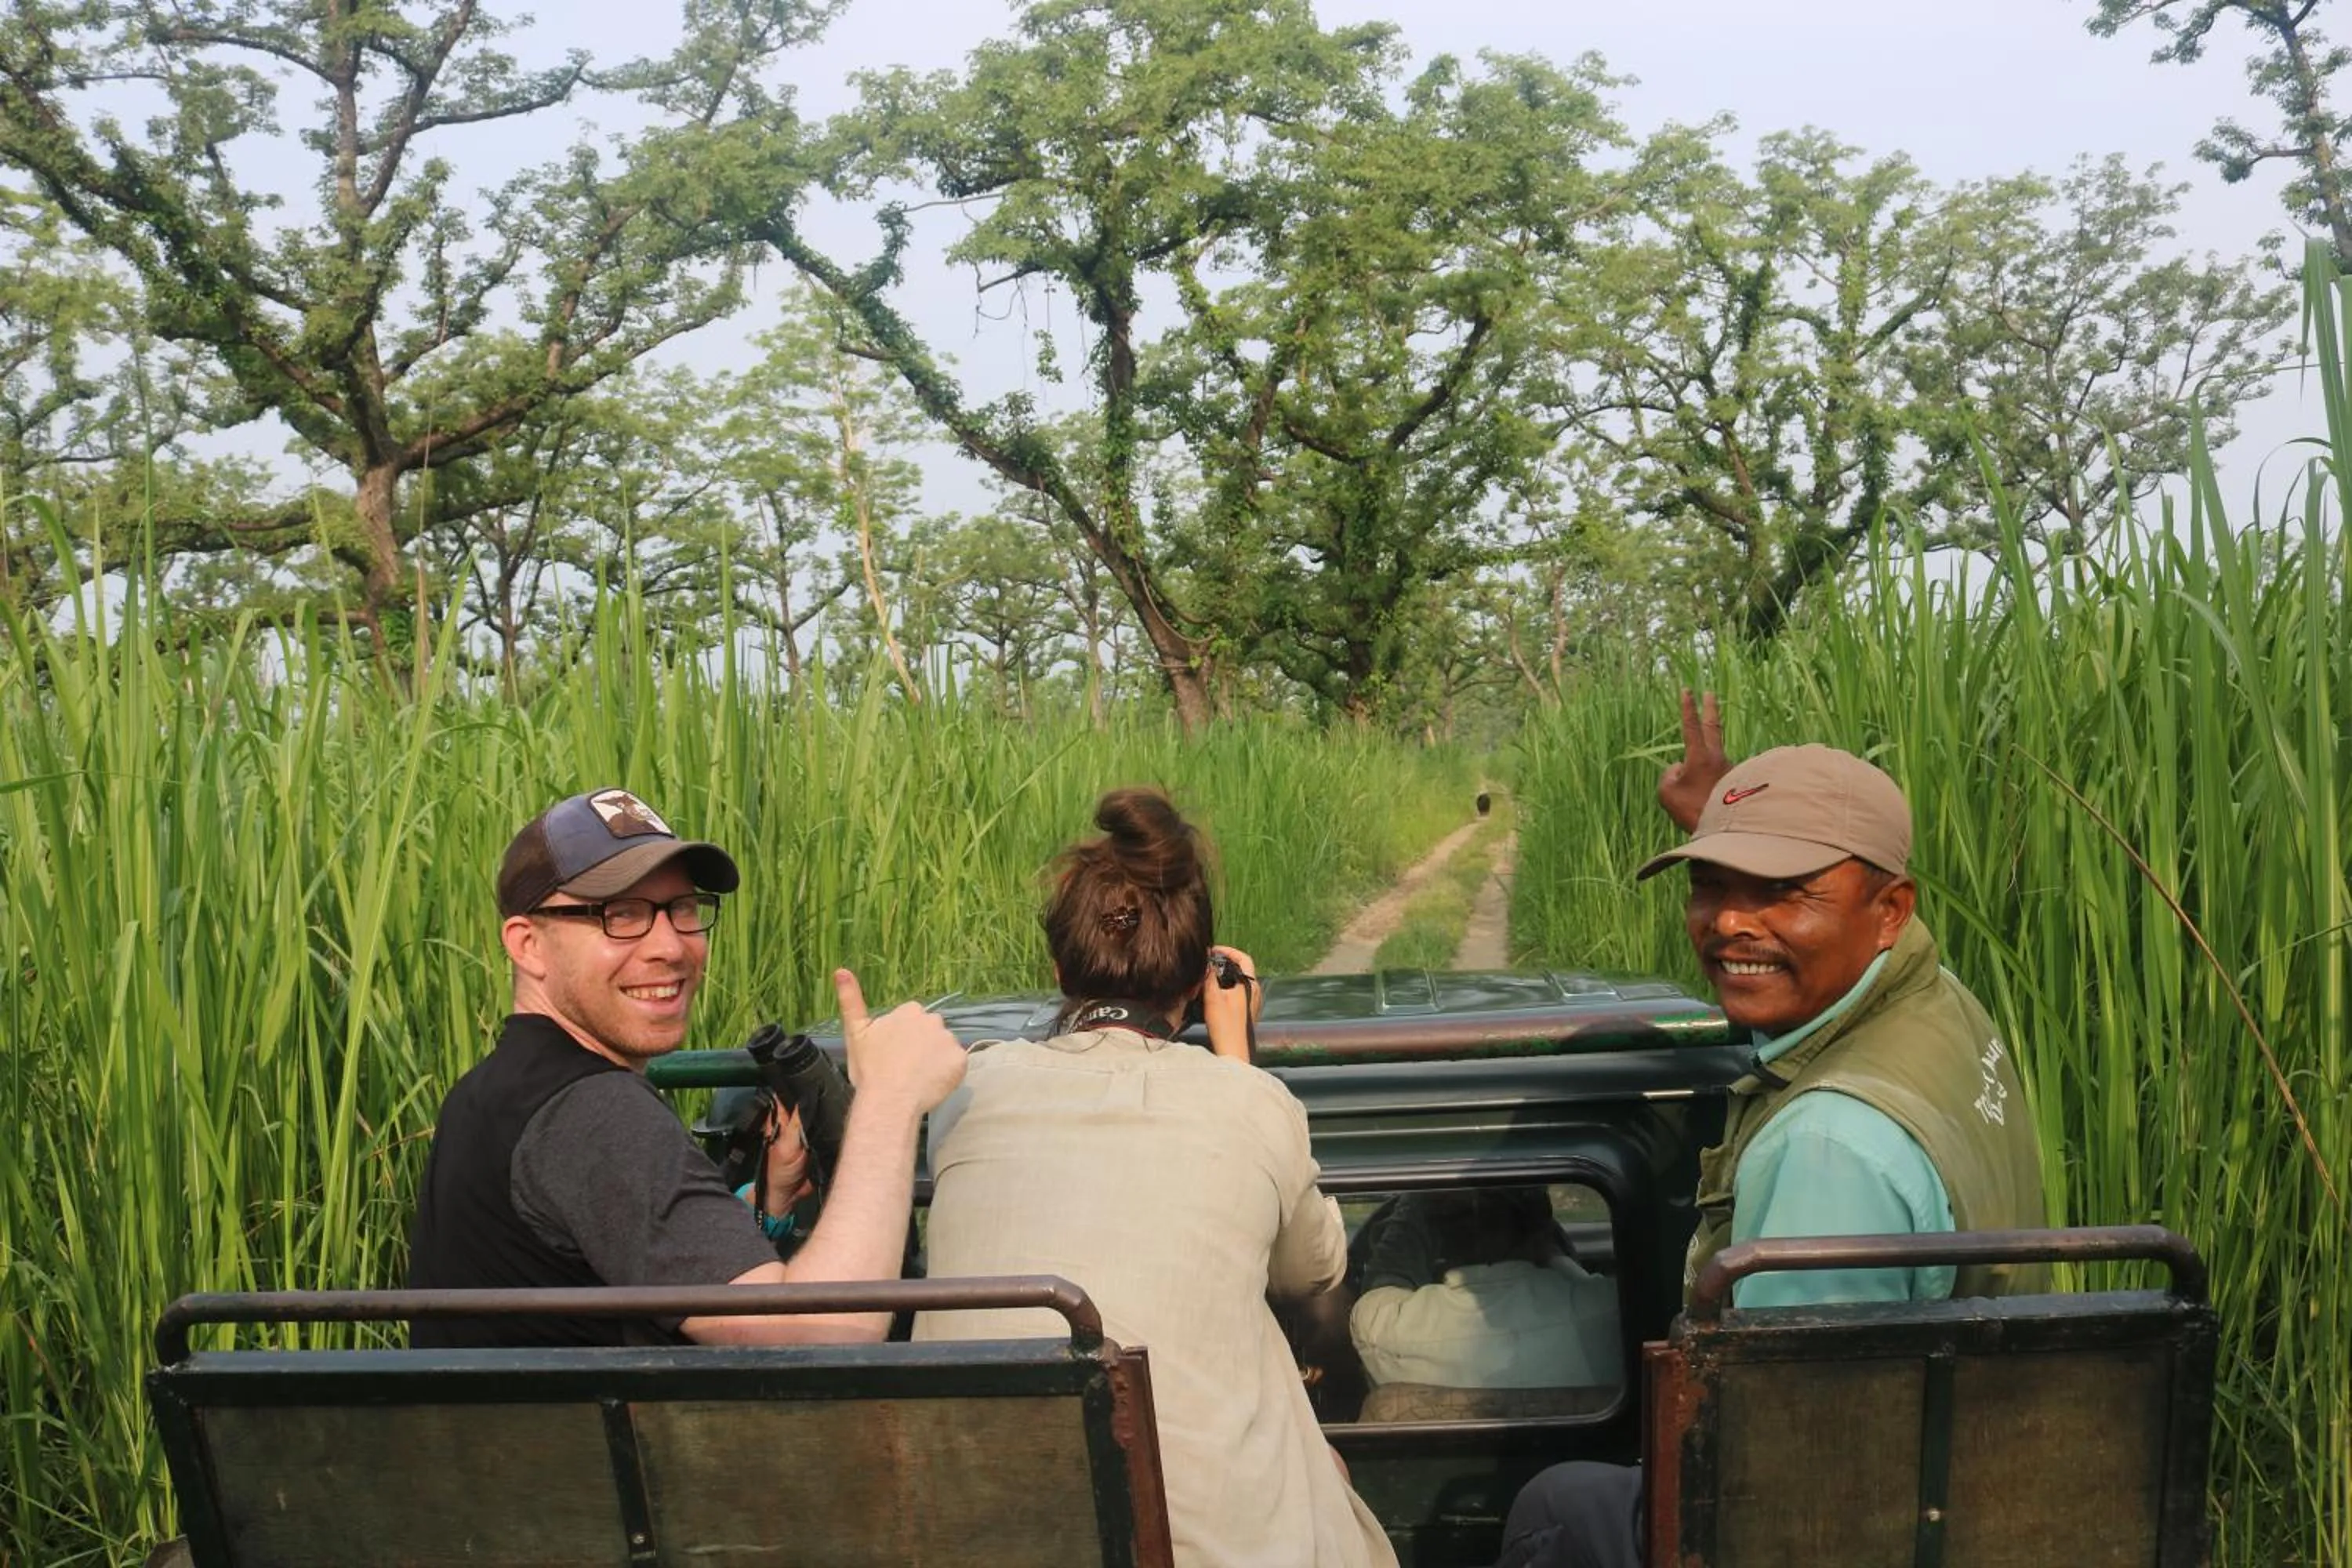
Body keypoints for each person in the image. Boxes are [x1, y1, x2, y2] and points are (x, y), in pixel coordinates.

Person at [1497, 697, 2048, 1568]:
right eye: (1710, 885)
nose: (1728, 923)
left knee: (1554, 1507)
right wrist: (1734, 827)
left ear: (1890, 909)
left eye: (1783, 891)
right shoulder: (1935, 999)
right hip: (1957, 1472)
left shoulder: (1827, 1150)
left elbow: (1793, 1479)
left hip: (1851, 1520)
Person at [915, 787, 1397, 1568]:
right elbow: (1314, 1269)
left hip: (993, 1535)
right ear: (1198, 976)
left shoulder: (966, 1092)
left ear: (1058, 969)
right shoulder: (1250, 1103)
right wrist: (1237, 1056)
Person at [406, 787, 966, 1348]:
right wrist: (890, 1097)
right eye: (621, 915)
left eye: (682, 909)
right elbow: (822, 1335)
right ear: (528, 945)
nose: (671, 947)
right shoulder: (594, 1112)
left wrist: (760, 1209)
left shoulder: (492, 1090)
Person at [1347, 1189, 1621, 1394]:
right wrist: (1548, 1250)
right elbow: (1584, 1288)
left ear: (1436, 1236)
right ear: (1535, 1231)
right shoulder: (1607, 1309)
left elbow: (1390, 1270)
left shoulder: (1382, 1327)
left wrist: (1414, 1206)